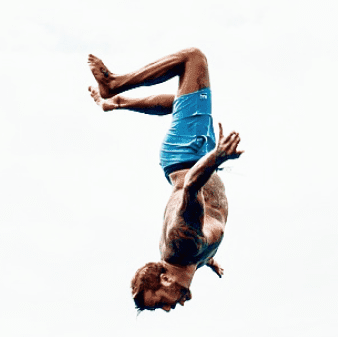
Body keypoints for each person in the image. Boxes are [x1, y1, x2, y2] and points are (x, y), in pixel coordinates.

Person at [87, 47, 244, 311]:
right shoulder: (187, 256)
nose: (170, 308)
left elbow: (192, 186)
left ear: (166, 278)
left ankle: (113, 85)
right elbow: (196, 234)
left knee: (193, 59)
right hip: (193, 154)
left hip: (190, 153)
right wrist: (209, 259)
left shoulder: (183, 244)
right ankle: (114, 103)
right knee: (181, 102)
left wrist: (217, 157)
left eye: (161, 301)